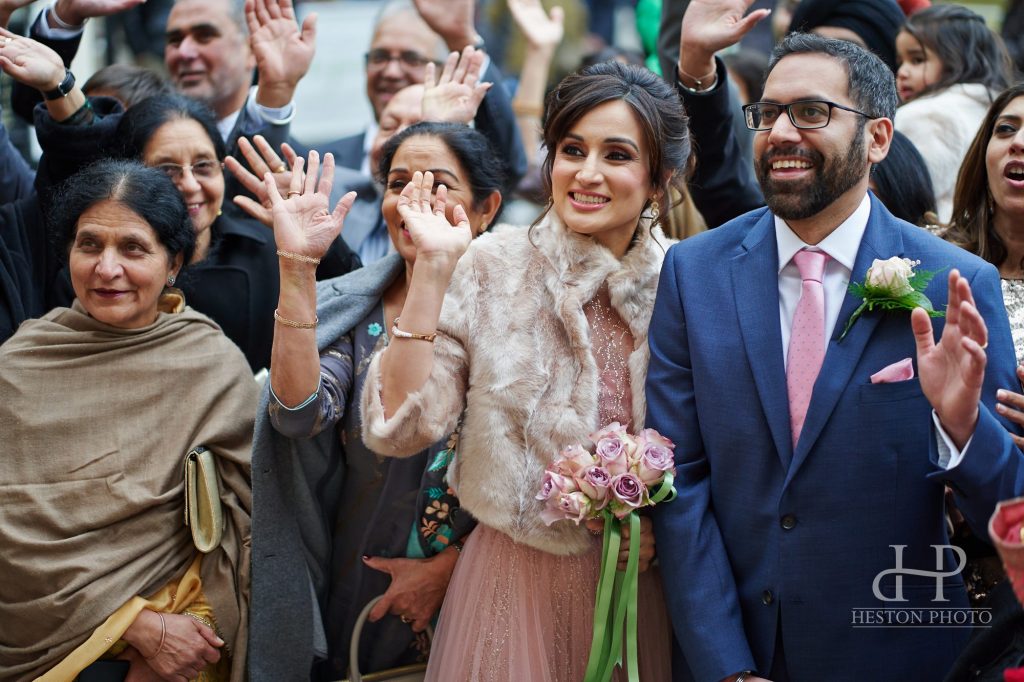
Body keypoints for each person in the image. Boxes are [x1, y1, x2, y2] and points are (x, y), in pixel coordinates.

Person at [647, 32, 1024, 681]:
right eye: (768, 114)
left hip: (899, 652)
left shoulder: (953, 283)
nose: (781, 132)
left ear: (878, 138)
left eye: (812, 113)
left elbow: (1009, 511)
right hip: (736, 650)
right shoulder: (694, 272)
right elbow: (682, 483)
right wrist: (725, 666)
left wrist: (964, 429)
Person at [361, 60, 685, 681]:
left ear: (657, 178)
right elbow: (401, 428)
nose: (587, 174)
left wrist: (665, 536)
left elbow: (718, 445)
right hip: (511, 584)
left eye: (616, 155)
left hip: (639, 588)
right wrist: (432, 272)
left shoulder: (688, 279)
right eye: (572, 150)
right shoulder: (494, 263)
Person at [248, 123, 504, 680]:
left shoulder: (516, 315)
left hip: (487, 584)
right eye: (397, 183)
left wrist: (450, 568)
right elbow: (297, 416)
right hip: (357, 573)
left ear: (485, 209)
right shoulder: (353, 307)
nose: (413, 200)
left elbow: (539, 468)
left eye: (438, 184)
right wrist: (297, 269)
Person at [0, 159, 255, 680]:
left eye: (133, 248)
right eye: (89, 245)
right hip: (38, 641)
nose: (106, 268)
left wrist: (185, 625)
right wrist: (131, 624)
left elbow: (246, 528)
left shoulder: (211, 366)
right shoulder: (20, 364)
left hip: (185, 644)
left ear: (174, 262)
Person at [894, 4, 1013, 223]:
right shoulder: (995, 108)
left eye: (917, 60)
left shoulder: (925, 115)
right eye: (901, 61)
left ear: (956, 60)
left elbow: (906, 198)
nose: (902, 72)